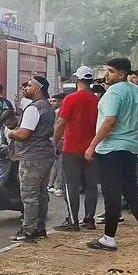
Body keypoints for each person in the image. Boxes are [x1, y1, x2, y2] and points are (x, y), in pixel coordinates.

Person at [85, 57, 138, 251]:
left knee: (112, 192)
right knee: (131, 190)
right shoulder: (137, 92)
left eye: (110, 71)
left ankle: (108, 237)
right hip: (130, 146)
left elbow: (109, 121)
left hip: (110, 148)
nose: (106, 74)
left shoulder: (113, 93)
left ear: (121, 74)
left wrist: (92, 145)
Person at [7, 76, 56, 242]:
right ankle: (40, 228)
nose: (25, 88)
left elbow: (24, 133)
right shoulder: (48, 107)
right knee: (41, 194)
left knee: (29, 195)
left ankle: (28, 230)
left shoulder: (33, 108)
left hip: (32, 157)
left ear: (38, 88)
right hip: (45, 155)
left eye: (29, 85)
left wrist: (11, 133)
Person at [53, 66, 101, 232]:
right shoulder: (97, 100)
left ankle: (73, 220)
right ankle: (89, 219)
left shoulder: (70, 99)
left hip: (71, 148)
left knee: (71, 184)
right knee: (91, 185)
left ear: (76, 79)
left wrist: (55, 142)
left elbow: (61, 123)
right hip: (92, 148)